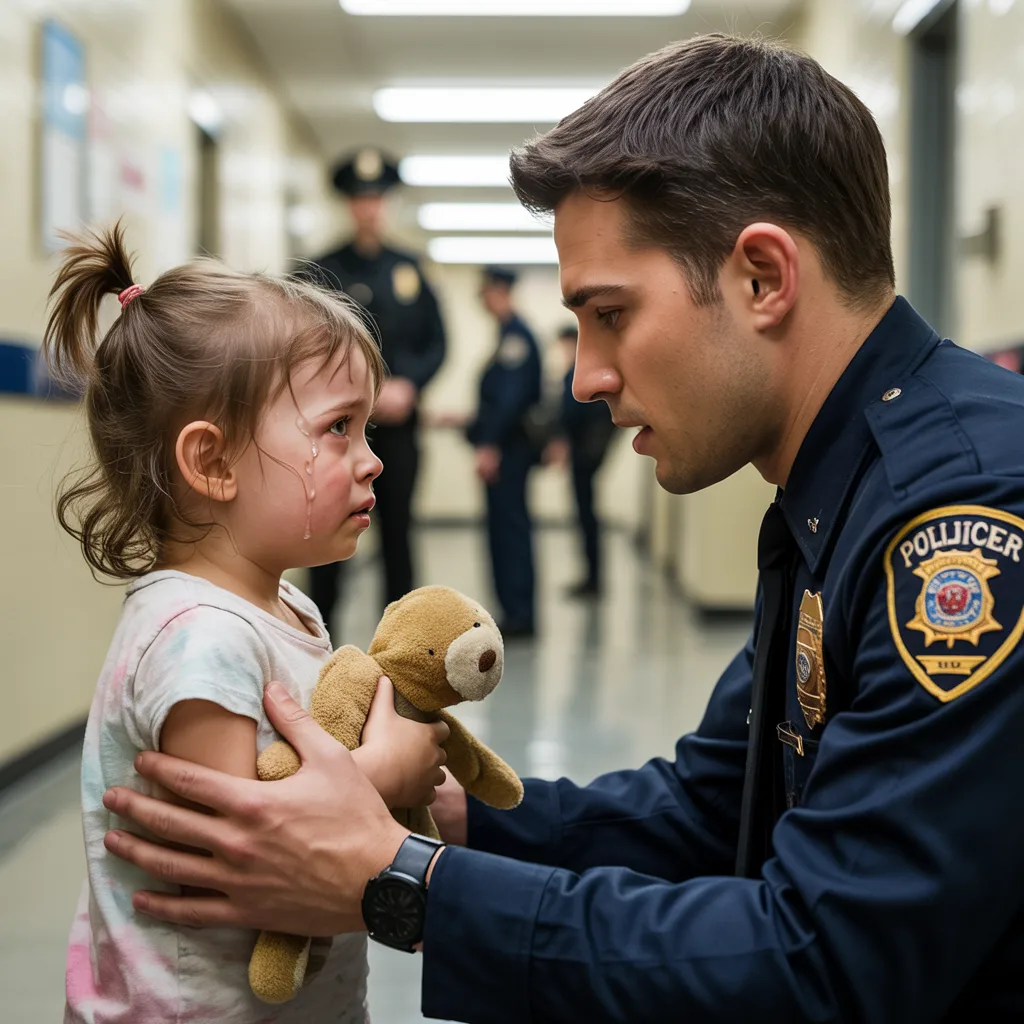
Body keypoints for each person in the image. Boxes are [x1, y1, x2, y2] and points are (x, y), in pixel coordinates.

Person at [97, 33, 1024, 1022]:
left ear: (762, 277)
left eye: (609, 313)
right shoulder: (845, 482)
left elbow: (831, 961)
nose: (583, 376)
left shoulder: (962, 520)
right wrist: (446, 817)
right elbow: (708, 808)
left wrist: (400, 879)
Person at [48, 225, 449, 1024]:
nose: (370, 458)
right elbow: (246, 848)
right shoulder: (200, 637)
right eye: (338, 428)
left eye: (367, 429)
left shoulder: (286, 605)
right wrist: (389, 774)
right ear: (214, 463)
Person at [306, 148, 447, 626]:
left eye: (377, 198)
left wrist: (409, 385)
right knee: (327, 533)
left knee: (398, 538)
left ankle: (403, 650)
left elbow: (437, 341)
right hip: (337, 434)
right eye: (360, 198)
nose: (369, 207)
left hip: (398, 429)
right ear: (347, 204)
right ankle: (318, 641)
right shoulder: (318, 270)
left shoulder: (409, 268)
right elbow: (298, 349)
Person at [466, 267, 543, 638]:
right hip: (505, 448)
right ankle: (513, 608)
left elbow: (510, 401)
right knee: (504, 528)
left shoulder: (516, 336)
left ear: (499, 292)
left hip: (509, 451)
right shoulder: (506, 334)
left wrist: (490, 444)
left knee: (510, 529)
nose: (482, 300)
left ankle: (521, 614)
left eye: (484, 293)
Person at [545, 324, 617, 598]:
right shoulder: (585, 373)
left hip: (583, 454)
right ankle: (591, 576)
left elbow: (572, 414)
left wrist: (562, 440)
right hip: (584, 453)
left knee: (586, 515)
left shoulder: (577, 375)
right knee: (585, 514)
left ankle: (593, 579)